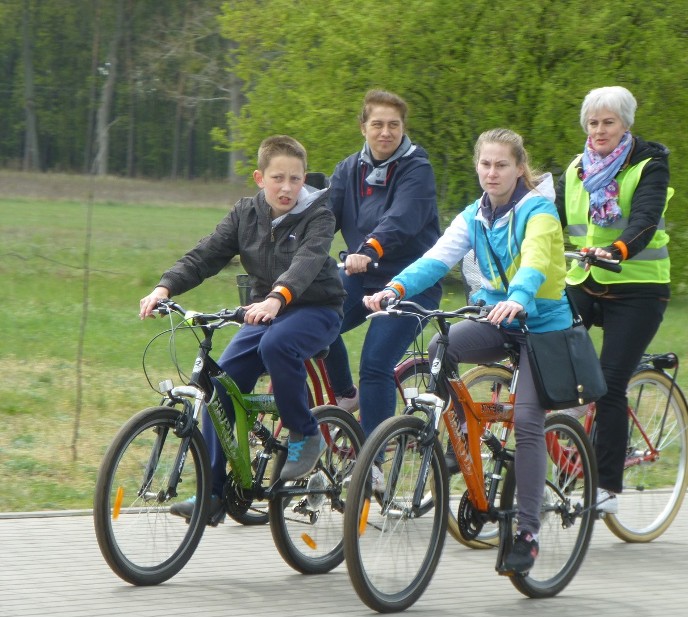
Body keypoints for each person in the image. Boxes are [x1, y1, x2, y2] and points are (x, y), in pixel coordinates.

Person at [365, 128, 571, 574]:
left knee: (528, 420)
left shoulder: (539, 211)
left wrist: (520, 295)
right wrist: (393, 288)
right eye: (485, 164)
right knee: (442, 345)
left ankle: (528, 533)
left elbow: (535, 259)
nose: (492, 173)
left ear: (519, 168)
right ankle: (464, 447)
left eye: (501, 165)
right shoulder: (475, 215)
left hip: (542, 326)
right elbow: (437, 258)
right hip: (498, 319)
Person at [139, 135, 346, 524]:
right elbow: (207, 254)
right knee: (218, 387)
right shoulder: (245, 214)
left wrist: (276, 297)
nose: (287, 188)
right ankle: (214, 494)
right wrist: (164, 287)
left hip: (315, 309)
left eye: (295, 179)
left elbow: (306, 261)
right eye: (277, 178)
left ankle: (305, 433)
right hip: (264, 309)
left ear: (304, 179)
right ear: (259, 177)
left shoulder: (319, 215)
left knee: (278, 346)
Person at [555, 86, 674, 515]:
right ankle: (558, 457)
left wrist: (618, 249)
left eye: (609, 122)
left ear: (626, 124)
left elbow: (644, 220)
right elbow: (548, 219)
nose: (599, 130)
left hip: (637, 287)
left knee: (607, 384)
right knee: (545, 356)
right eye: (593, 122)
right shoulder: (575, 169)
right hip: (584, 279)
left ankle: (606, 487)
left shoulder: (649, 166)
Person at [325, 89, 442, 488]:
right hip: (360, 277)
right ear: (364, 127)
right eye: (377, 124)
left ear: (403, 128)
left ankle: (371, 462)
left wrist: (368, 249)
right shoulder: (348, 169)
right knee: (315, 325)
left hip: (410, 281)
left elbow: (403, 218)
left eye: (394, 124)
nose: (386, 131)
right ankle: (345, 395)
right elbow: (324, 217)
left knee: (375, 364)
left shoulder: (417, 168)